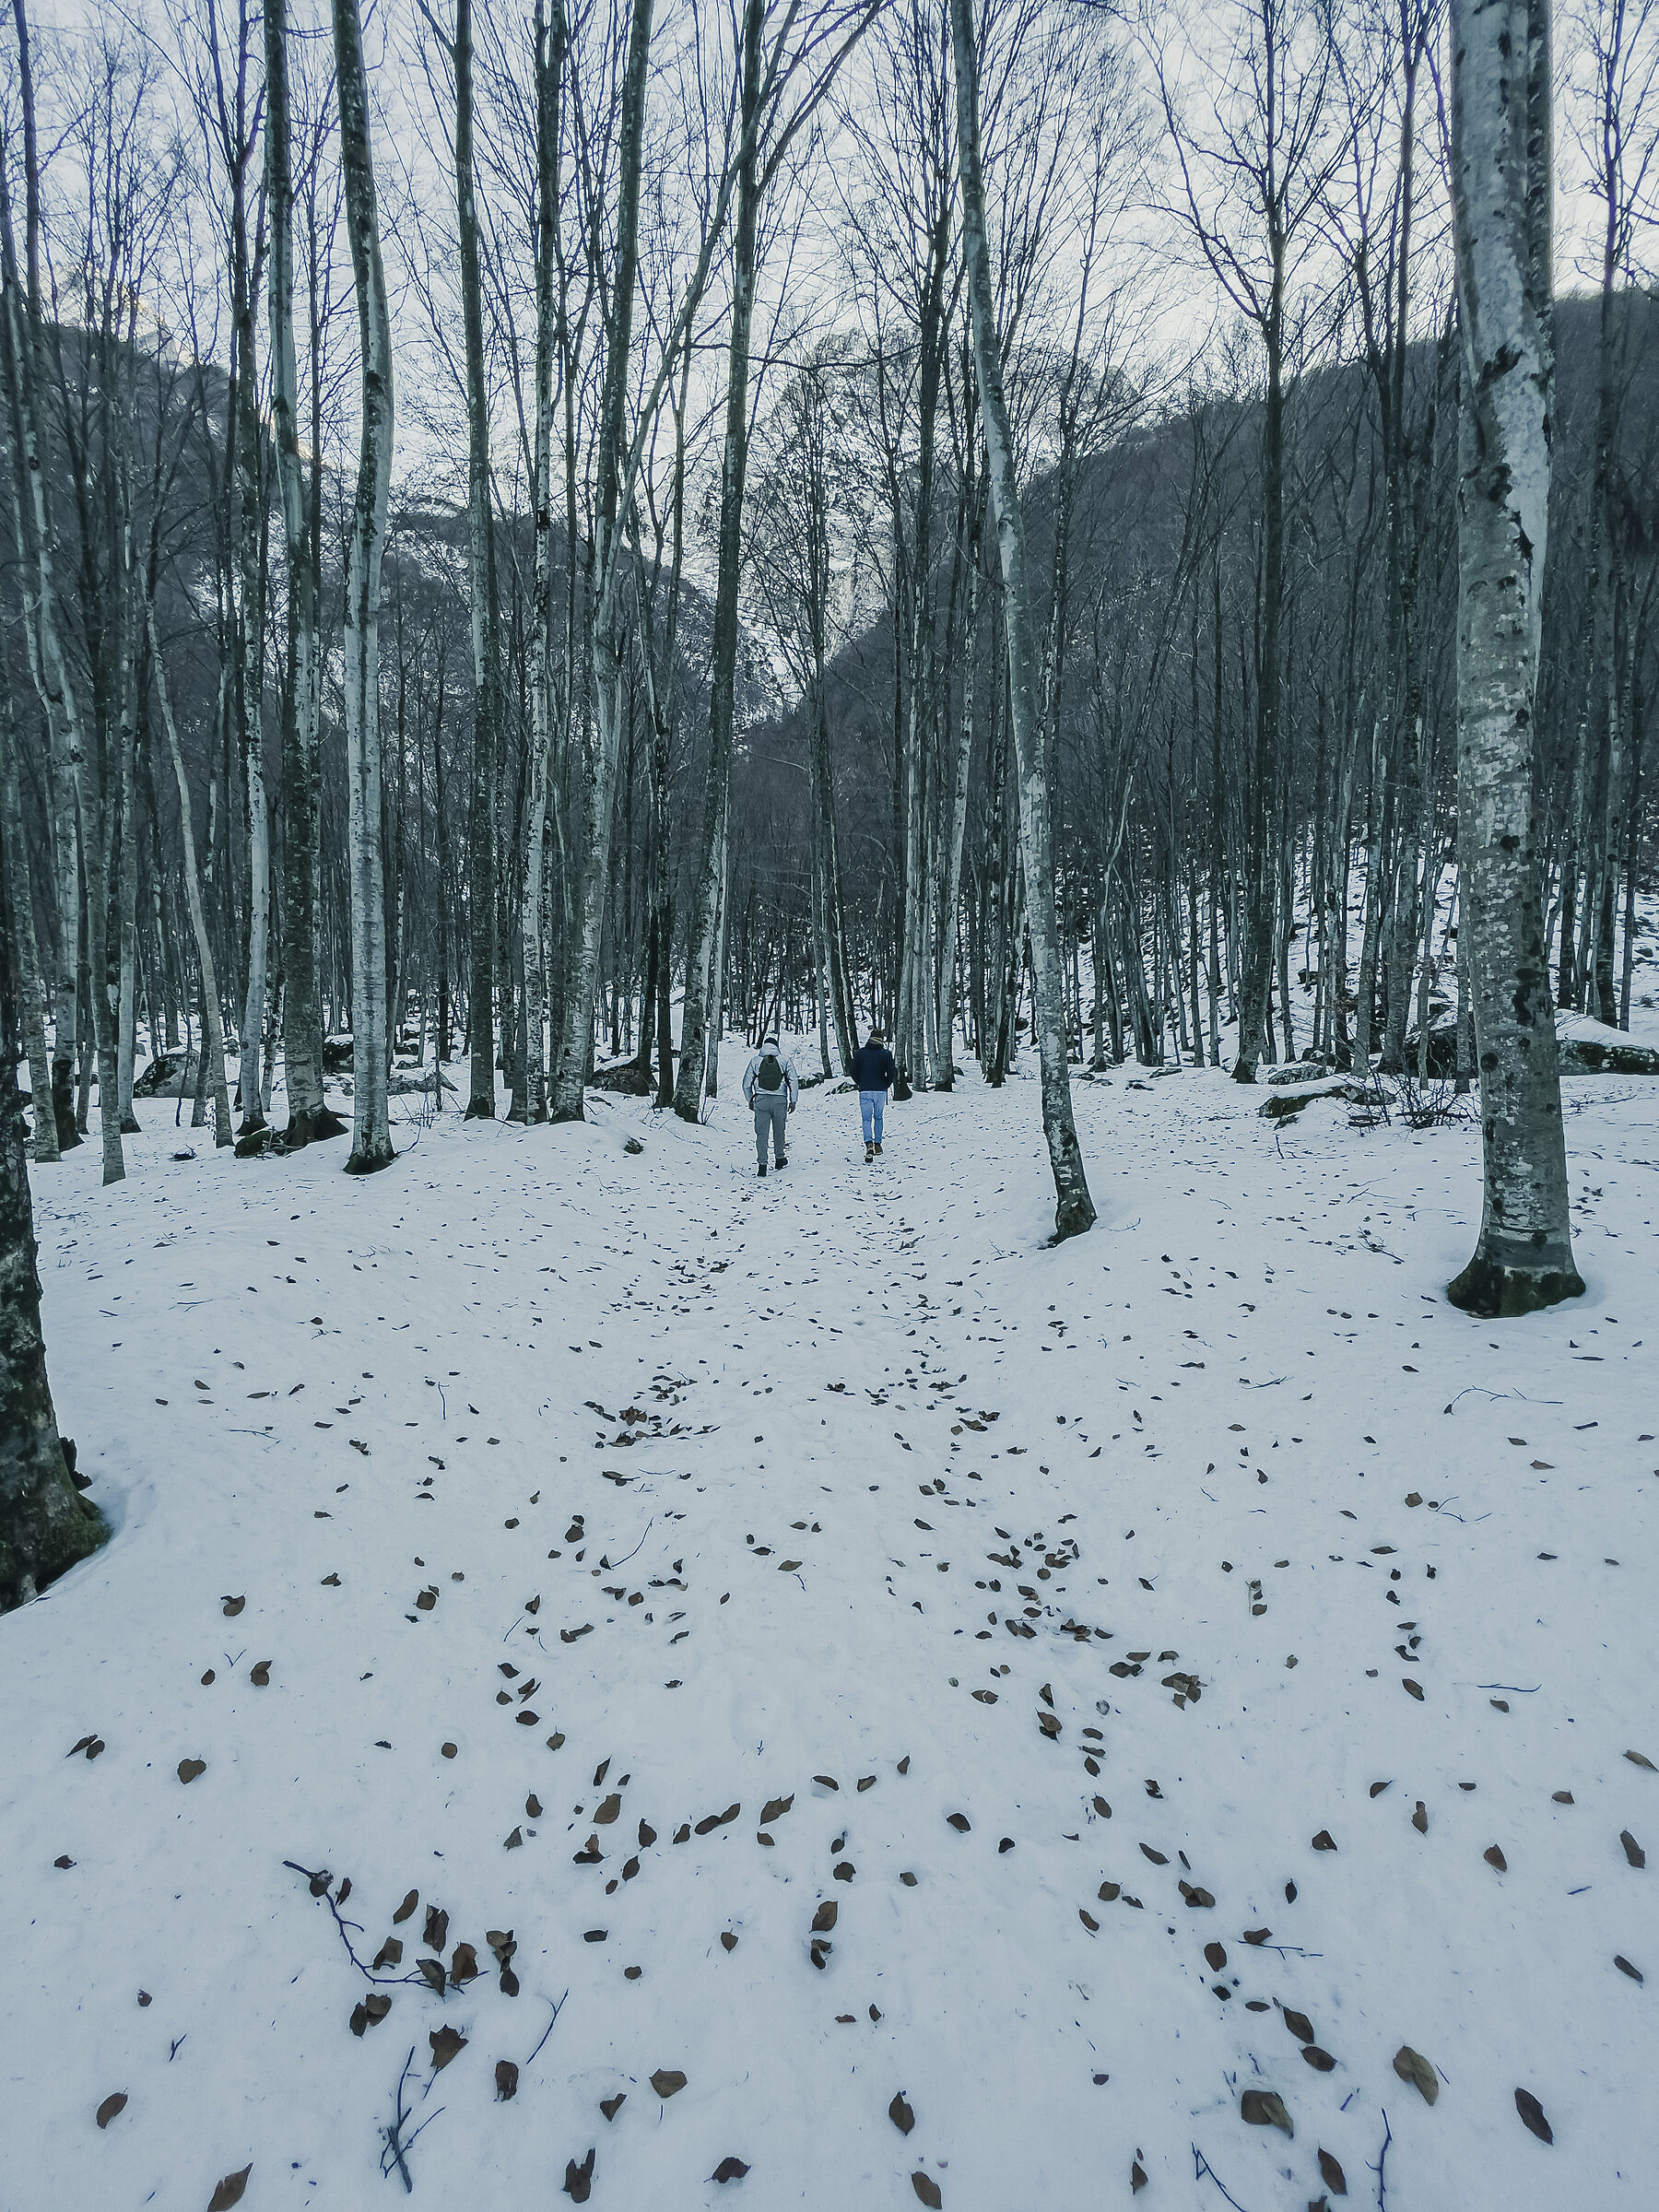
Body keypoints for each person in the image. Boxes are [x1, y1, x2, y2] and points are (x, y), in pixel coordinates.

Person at [742, 1031, 798, 1176]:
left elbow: (746, 1084)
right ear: (776, 1047)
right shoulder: (784, 1060)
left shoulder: (755, 1061)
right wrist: (793, 1100)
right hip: (780, 1101)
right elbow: (793, 1081)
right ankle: (780, 1159)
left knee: (762, 1134)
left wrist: (750, 1099)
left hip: (761, 1100)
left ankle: (762, 1165)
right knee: (779, 1131)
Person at [849, 1027, 897, 1162]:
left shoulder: (860, 1053)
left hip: (865, 1090)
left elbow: (852, 1070)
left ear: (870, 1038)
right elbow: (892, 1073)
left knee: (866, 1119)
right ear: (881, 1040)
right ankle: (878, 1144)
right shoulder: (886, 1054)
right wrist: (886, 1084)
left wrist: (860, 1082)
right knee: (879, 1117)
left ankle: (868, 1143)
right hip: (880, 1091)